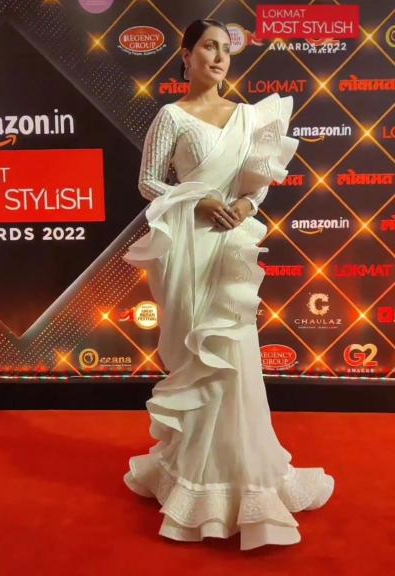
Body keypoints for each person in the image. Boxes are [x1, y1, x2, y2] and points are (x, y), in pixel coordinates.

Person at [122, 18, 335, 551]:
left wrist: (243, 205)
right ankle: (190, 471)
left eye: (225, 49)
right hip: (188, 248)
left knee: (233, 357)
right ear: (186, 55)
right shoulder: (171, 117)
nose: (218, 57)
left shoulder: (249, 117)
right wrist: (197, 199)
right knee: (197, 356)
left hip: (231, 246)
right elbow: (149, 182)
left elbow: (255, 183)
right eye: (208, 47)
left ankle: (242, 477)